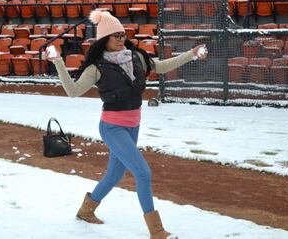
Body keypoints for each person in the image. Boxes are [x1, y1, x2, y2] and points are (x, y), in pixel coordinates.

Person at [46, 10, 207, 239]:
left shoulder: (136, 57)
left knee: (114, 174)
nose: (122, 39)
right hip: (112, 128)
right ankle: (157, 231)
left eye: (123, 35)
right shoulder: (96, 68)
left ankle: (86, 210)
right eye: (116, 36)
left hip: (133, 125)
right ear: (105, 40)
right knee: (142, 173)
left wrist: (191, 54)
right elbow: (73, 91)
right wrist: (58, 62)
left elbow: (161, 66)